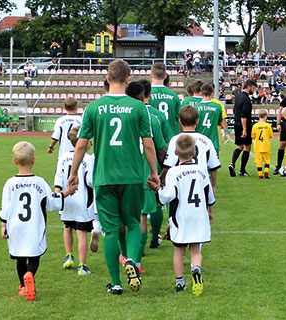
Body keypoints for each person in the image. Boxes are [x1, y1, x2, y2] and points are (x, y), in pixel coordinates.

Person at [68, 60, 159, 295]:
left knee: (110, 229)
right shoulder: (138, 107)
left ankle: (116, 283)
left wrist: (73, 174)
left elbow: (81, 146)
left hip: (104, 177)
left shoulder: (93, 108)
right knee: (132, 223)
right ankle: (131, 261)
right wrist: (153, 173)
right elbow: (148, 145)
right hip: (132, 176)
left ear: (108, 79)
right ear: (128, 80)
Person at [1, 142, 73, 301]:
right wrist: (67, 192)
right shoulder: (39, 182)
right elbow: (53, 202)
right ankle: (30, 274)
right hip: (34, 226)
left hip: (16, 227)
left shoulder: (9, 184)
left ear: (14, 161)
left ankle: (22, 286)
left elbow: (5, 207)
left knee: (20, 257)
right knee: (34, 258)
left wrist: (3, 225)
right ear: (33, 160)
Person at [157, 135, 214, 296]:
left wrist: (158, 189)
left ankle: (180, 281)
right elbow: (209, 195)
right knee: (196, 250)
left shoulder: (173, 172)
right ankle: (196, 269)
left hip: (180, 217)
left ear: (175, 152)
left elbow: (167, 196)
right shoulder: (202, 170)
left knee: (179, 251)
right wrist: (210, 211)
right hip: (198, 215)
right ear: (194, 152)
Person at [127, 80, 168, 259]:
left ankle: (131, 253)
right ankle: (145, 248)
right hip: (147, 170)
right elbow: (160, 148)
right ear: (146, 95)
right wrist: (162, 171)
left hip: (125, 170)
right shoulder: (155, 116)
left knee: (129, 218)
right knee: (147, 212)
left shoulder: (124, 114)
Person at [53, 127, 95, 276]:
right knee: (82, 232)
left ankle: (69, 256)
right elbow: (90, 180)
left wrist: (58, 194)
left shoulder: (63, 156)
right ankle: (82, 266)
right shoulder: (89, 158)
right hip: (82, 200)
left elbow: (58, 177)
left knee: (67, 227)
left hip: (67, 199)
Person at [162, 106, 222, 189]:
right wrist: (213, 185)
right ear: (197, 121)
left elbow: (168, 165)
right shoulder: (206, 140)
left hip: (180, 183)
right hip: (201, 182)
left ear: (180, 122)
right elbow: (213, 167)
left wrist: (162, 179)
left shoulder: (175, 140)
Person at [229, 79, 256, 177]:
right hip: (244, 125)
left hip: (236, 124)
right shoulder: (246, 99)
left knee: (239, 146)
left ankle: (232, 163)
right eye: (253, 88)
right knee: (247, 147)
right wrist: (244, 129)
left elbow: (234, 111)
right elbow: (244, 115)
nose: (254, 90)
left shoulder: (238, 96)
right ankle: (242, 170)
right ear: (249, 87)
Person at [150, 62, 181, 140]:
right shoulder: (174, 96)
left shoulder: (146, 95)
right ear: (165, 76)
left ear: (151, 75)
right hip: (171, 138)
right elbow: (179, 118)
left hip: (153, 138)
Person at [196, 83, 229, 154]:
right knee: (214, 165)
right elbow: (222, 120)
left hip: (199, 142)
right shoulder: (218, 106)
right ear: (212, 93)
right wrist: (226, 132)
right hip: (213, 142)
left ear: (201, 93)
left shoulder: (196, 107)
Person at [250, 110, 274, 179]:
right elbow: (271, 135)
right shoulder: (268, 125)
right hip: (266, 146)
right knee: (267, 160)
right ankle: (266, 171)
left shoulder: (255, 126)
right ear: (266, 116)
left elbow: (253, 136)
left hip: (258, 146)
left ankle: (260, 174)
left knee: (258, 161)